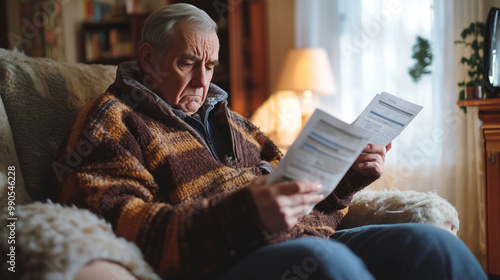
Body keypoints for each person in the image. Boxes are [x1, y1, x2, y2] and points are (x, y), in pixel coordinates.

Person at [52, 3, 487, 280]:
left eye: (212, 66)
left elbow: (306, 203)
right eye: (188, 63)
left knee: (432, 243)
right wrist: (245, 214)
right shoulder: (109, 124)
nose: (204, 82)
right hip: (222, 262)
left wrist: (345, 180)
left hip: (310, 245)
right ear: (148, 59)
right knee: (331, 267)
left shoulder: (239, 125)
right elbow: (128, 232)